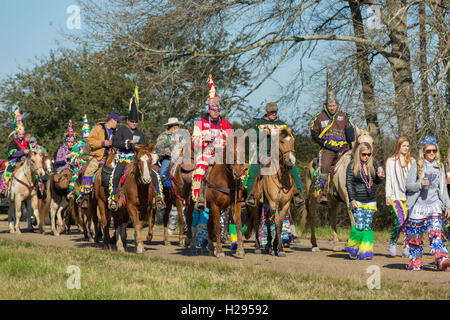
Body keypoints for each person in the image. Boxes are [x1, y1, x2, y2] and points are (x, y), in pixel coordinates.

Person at [108, 88, 165, 211]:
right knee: (116, 174)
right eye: (132, 121)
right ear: (127, 121)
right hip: (123, 158)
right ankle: (113, 198)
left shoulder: (140, 133)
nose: (134, 123)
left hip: (137, 160)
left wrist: (146, 150)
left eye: (136, 121)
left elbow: (144, 146)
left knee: (154, 174)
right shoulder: (122, 130)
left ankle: (158, 197)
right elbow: (115, 143)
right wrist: (128, 143)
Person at [244, 102, 304, 207]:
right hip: (262, 152)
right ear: (266, 112)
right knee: (253, 170)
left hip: (278, 154)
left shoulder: (281, 124)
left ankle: (297, 193)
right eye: (271, 112)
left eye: (275, 112)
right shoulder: (259, 124)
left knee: (294, 168)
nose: (273, 114)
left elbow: (288, 138)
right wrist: (264, 133)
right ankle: (251, 195)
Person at [405, 136, 450, 271]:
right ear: (423, 152)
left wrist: (447, 206)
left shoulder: (440, 166)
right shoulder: (417, 165)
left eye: (434, 151)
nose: (432, 153)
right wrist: (420, 184)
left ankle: (441, 258)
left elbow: (443, 190)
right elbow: (408, 186)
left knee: (436, 232)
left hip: (434, 205)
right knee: (416, 238)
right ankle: (416, 261)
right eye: (429, 151)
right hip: (418, 206)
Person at [310, 71, 355, 203]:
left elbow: (350, 131)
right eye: (329, 106)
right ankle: (323, 193)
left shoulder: (344, 115)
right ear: (326, 105)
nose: (332, 108)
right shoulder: (320, 117)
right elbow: (314, 133)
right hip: (328, 148)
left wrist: (352, 146)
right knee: (324, 166)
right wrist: (323, 144)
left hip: (343, 147)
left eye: (334, 105)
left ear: (337, 105)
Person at [192, 75, 233, 211]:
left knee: (239, 170)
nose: (216, 112)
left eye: (218, 110)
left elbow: (232, 140)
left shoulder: (225, 123)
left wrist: (224, 142)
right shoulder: (200, 123)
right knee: (200, 169)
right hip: (206, 153)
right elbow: (194, 141)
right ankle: (201, 197)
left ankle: (240, 197)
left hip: (222, 154)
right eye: (213, 110)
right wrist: (204, 140)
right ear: (209, 110)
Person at [346, 142, 384, 260]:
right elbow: (349, 183)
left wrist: (380, 177)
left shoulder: (373, 164)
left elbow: (377, 182)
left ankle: (366, 251)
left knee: (367, 226)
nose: (366, 157)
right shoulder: (352, 166)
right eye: (364, 154)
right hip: (357, 200)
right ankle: (353, 248)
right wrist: (352, 199)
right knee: (360, 225)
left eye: (369, 154)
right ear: (359, 154)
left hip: (371, 201)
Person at [76, 113, 121, 207]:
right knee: (88, 171)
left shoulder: (116, 131)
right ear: (112, 120)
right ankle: (85, 197)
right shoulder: (97, 128)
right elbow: (90, 142)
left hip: (113, 157)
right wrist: (103, 143)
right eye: (117, 122)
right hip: (99, 157)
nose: (117, 124)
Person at [385, 136, 415, 257]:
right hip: (395, 196)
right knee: (400, 221)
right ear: (398, 146)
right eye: (403, 146)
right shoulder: (391, 161)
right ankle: (393, 242)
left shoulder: (412, 161)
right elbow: (389, 179)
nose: (406, 148)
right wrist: (387, 195)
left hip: (409, 197)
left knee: (408, 223)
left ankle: (406, 247)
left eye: (407, 146)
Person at [0, 107, 30, 196]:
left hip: (25, 160)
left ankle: (38, 186)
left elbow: (29, 151)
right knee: (8, 169)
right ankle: (3, 187)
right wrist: (22, 152)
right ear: (16, 134)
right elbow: (12, 153)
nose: (21, 136)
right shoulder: (13, 142)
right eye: (19, 134)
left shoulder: (26, 142)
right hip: (14, 160)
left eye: (22, 134)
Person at [155, 117, 184, 189]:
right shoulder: (163, 136)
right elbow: (158, 148)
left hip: (181, 158)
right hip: (168, 158)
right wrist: (165, 152)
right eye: (178, 126)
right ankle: (164, 191)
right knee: (162, 174)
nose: (179, 128)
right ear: (174, 127)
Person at [67, 115, 91, 200]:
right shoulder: (78, 145)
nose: (86, 138)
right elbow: (72, 155)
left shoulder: (94, 144)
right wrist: (75, 159)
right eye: (85, 136)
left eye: (88, 136)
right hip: (80, 165)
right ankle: (72, 192)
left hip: (92, 164)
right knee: (75, 176)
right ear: (82, 136)